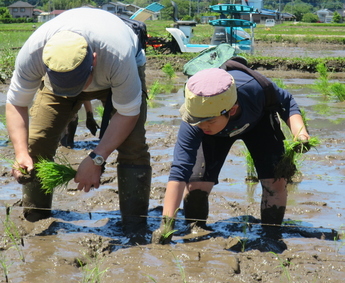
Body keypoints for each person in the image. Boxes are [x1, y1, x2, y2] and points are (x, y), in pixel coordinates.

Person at [6, 8, 151, 237]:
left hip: (116, 76)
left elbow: (128, 113)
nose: (79, 92)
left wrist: (97, 157)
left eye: (80, 84)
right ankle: (37, 218)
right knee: (37, 144)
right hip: (64, 81)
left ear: (93, 59)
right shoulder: (33, 53)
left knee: (133, 147)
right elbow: (15, 103)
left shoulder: (117, 56)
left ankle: (135, 227)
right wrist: (21, 152)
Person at [152, 67, 310, 245]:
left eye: (209, 121)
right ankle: (195, 228)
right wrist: (167, 224)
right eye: (198, 121)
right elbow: (179, 171)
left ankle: (271, 235)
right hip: (215, 136)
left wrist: (300, 134)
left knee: (276, 181)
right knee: (196, 184)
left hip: (258, 123)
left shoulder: (255, 90)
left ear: (232, 110)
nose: (203, 125)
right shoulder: (195, 123)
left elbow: (287, 101)